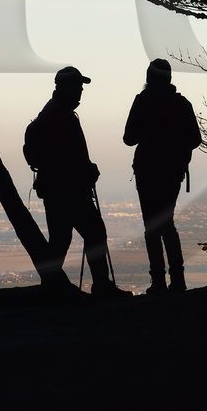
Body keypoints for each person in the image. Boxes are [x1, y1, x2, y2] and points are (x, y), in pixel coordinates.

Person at [24, 66, 130, 299]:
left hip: (57, 189)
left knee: (62, 238)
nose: (81, 90)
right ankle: (100, 286)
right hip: (69, 189)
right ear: (66, 87)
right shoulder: (60, 115)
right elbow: (66, 156)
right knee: (94, 233)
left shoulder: (52, 112)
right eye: (78, 86)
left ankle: (53, 286)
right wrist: (87, 170)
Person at [123, 58, 202, 294]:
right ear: (169, 78)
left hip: (147, 171)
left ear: (148, 78)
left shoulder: (143, 102)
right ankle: (178, 280)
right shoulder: (181, 104)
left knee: (152, 226)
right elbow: (195, 139)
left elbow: (128, 138)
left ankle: (158, 281)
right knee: (167, 223)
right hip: (172, 172)